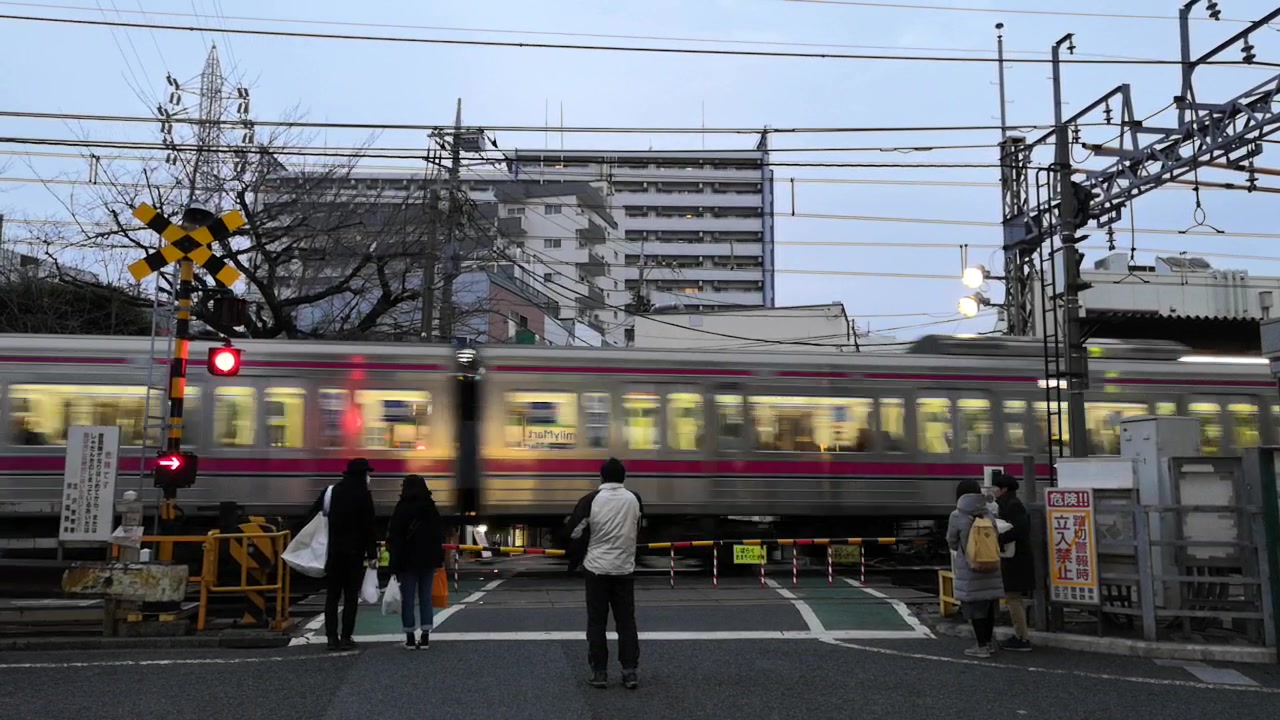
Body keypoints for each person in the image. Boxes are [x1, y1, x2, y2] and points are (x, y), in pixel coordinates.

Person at [567, 458, 644, 690]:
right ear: (623, 477)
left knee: (597, 622)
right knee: (626, 622)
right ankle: (629, 672)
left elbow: (573, 532)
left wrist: (577, 556)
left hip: (596, 569)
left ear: (601, 477)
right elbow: (637, 527)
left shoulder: (591, 500)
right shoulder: (634, 499)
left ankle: (599, 673)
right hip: (624, 569)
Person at [309, 457, 378, 651]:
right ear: (362, 475)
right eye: (367, 473)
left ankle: (331, 638)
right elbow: (369, 527)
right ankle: (346, 637)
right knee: (350, 597)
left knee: (332, 596)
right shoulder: (364, 495)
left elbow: (312, 514)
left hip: (332, 552)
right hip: (354, 554)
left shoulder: (331, 492)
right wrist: (372, 555)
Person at [946, 478, 1005, 658]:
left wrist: (965, 549)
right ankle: (988, 643)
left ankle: (981, 646)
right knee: (989, 606)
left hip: (971, 567)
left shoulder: (957, 515)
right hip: (991, 565)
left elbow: (952, 541)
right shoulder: (988, 513)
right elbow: (996, 536)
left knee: (975, 609)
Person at [386, 474, 445, 650]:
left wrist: (394, 563)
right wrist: (438, 560)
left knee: (408, 599)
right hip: (427, 560)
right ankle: (425, 636)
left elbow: (394, 536)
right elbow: (437, 535)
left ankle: (410, 637)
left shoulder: (402, 507)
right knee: (426, 597)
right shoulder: (430, 507)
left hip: (406, 560)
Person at [992, 473, 1034, 652]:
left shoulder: (1012, 505)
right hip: (1015, 556)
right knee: (1014, 597)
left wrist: (999, 538)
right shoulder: (1010, 503)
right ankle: (1020, 635)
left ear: (1004, 489)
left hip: (1016, 558)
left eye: (996, 487)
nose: (993, 490)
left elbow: (1020, 529)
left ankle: (1022, 638)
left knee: (1013, 597)